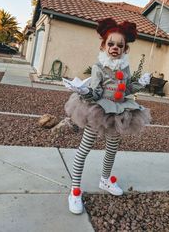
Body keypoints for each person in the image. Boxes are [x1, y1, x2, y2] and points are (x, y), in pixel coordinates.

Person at [65, 17, 151, 214]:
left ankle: (105, 180)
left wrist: (142, 83)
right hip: (99, 112)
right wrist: (84, 91)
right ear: (103, 46)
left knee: (112, 149)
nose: (115, 47)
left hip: (119, 112)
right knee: (84, 149)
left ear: (125, 49)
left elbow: (127, 88)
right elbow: (95, 92)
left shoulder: (125, 67)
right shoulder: (99, 68)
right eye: (110, 44)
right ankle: (74, 190)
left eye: (120, 45)